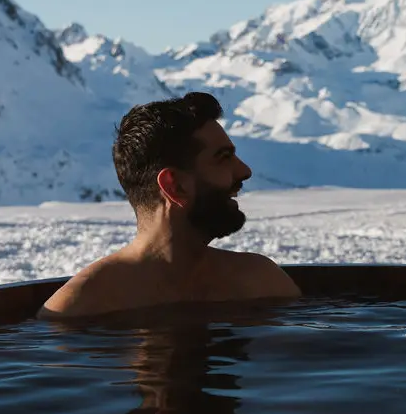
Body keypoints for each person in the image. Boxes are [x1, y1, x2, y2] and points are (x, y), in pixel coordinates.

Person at [39, 92, 299, 318]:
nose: (244, 170)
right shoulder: (80, 307)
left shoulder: (261, 281)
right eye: (224, 158)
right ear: (175, 186)